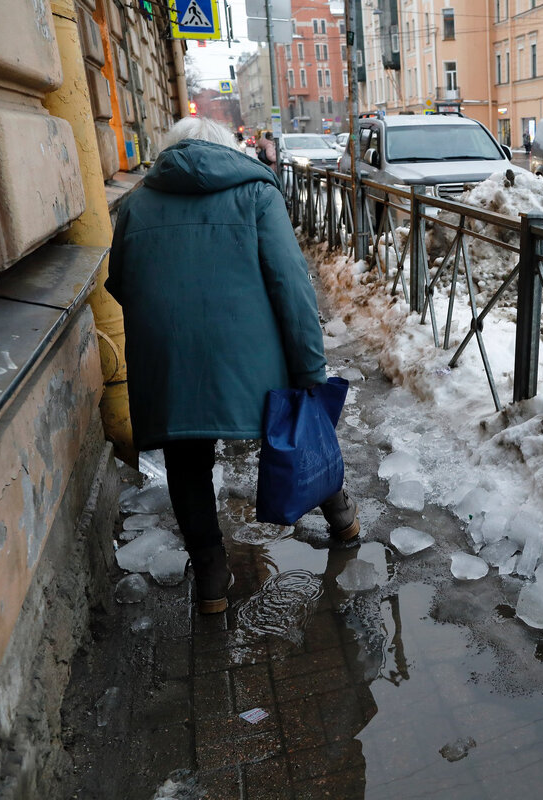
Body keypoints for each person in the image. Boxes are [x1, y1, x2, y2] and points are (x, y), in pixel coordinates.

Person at [106, 117, 360, 614]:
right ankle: (342, 518)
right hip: (254, 360)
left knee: (186, 463)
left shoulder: (135, 203)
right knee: (297, 430)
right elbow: (291, 284)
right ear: (225, 150)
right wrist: (310, 369)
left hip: (170, 359)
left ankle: (211, 580)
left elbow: (120, 283)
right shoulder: (255, 194)